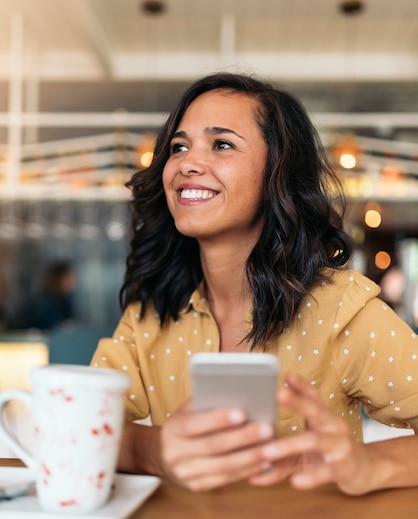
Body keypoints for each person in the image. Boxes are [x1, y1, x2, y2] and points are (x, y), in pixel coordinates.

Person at [91, 72, 418, 495]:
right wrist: (154, 450)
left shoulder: (341, 311)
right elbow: (79, 427)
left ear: (277, 173)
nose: (188, 162)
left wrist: (371, 465)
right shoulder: (149, 314)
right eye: (179, 146)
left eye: (222, 144)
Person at [25, 260, 76, 331]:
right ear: (58, 280)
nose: (72, 283)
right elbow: (53, 328)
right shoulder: (45, 304)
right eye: (68, 279)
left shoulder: (66, 301)